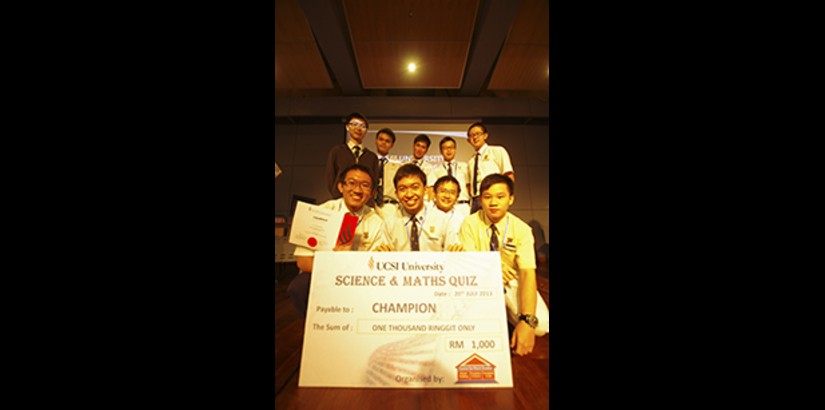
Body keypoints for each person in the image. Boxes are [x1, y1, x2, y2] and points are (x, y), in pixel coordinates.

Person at [458, 173, 549, 357]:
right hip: (480, 279)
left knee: (540, 326)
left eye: (500, 197)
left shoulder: (522, 229)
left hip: (510, 281)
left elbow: (527, 274)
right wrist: (493, 267)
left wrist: (527, 320)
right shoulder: (469, 223)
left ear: (511, 199)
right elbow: (468, 260)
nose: (493, 202)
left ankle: (509, 316)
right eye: (487, 197)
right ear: (480, 200)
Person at [287, 164, 390, 316]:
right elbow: (303, 261)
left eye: (365, 185)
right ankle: (312, 327)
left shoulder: (376, 221)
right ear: (341, 186)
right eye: (351, 183)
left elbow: (374, 262)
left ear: (371, 193)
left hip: (358, 278)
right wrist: (334, 264)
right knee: (299, 287)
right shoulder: (321, 212)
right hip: (322, 274)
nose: (357, 190)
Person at [375, 164, 462, 252]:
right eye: (402, 189)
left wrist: (457, 253)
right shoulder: (389, 224)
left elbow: (451, 255)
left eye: (415, 187)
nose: (409, 194)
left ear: (425, 190)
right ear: (396, 194)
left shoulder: (443, 220)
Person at [324, 112, 379, 203]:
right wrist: (337, 196)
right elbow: (331, 177)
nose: (358, 128)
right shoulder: (337, 151)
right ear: (347, 127)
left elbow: (374, 182)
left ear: (367, 130)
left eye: (363, 126)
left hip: (364, 203)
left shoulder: (371, 156)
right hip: (340, 200)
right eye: (354, 124)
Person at [466, 122, 514, 214]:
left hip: (493, 197)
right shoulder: (470, 161)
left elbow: (508, 175)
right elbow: (469, 186)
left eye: (477, 134)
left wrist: (506, 197)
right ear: (468, 140)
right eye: (471, 135)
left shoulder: (497, 151)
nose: (475, 137)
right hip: (476, 200)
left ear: (485, 135)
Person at [426, 136, 471, 215]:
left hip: (462, 206)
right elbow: (431, 193)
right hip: (443, 208)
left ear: (455, 150)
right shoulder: (435, 171)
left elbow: (469, 187)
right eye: (445, 148)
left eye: (451, 147)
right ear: (440, 151)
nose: (449, 150)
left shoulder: (465, 167)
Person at [430, 175, 466, 246]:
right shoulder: (426, 215)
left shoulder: (461, 220)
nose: (447, 196)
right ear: (435, 193)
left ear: (457, 197)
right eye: (443, 191)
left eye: (452, 192)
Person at [373, 127, 401, 212]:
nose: (383, 143)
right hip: (370, 205)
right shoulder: (369, 161)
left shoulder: (398, 165)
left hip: (390, 206)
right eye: (381, 139)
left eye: (387, 141)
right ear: (376, 141)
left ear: (392, 145)